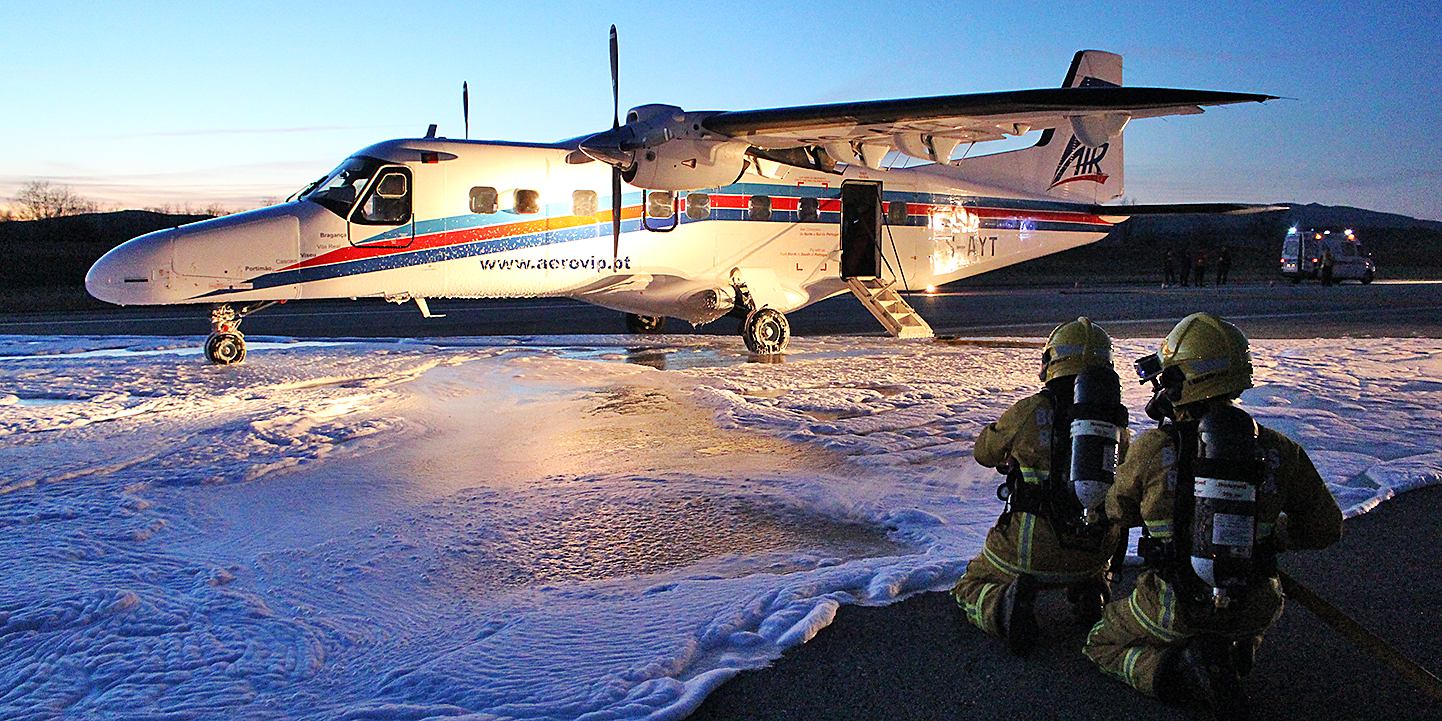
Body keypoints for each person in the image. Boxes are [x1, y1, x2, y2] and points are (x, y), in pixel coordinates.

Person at [1083, 313, 1343, 720]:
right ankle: (1233, 651)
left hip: (1174, 606)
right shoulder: (1281, 451)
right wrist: (1273, 538)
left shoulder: (1154, 449)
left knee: (1101, 642)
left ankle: (1176, 672)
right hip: (1253, 606)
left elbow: (1117, 509)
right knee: (1241, 624)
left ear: (1179, 382)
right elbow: (1326, 528)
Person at [953, 317, 1129, 655]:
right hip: (1095, 551)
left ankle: (1003, 606)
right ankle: (1093, 589)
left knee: (970, 585)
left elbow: (983, 453)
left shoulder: (1031, 410)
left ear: (1052, 361)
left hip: (1031, 550)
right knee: (1091, 556)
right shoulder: (1115, 425)